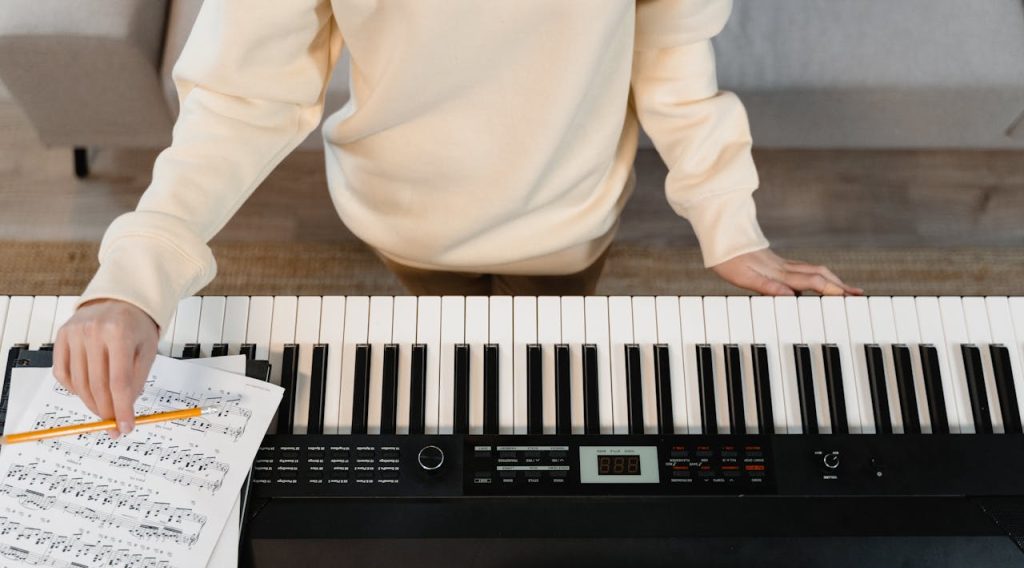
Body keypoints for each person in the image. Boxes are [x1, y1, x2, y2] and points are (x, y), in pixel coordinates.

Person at [54, 0, 861, 437]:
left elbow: (673, 61)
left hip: (570, 220)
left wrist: (730, 222)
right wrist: (134, 279)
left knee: (543, 387)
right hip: (405, 218)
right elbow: (242, 100)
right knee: (455, 363)